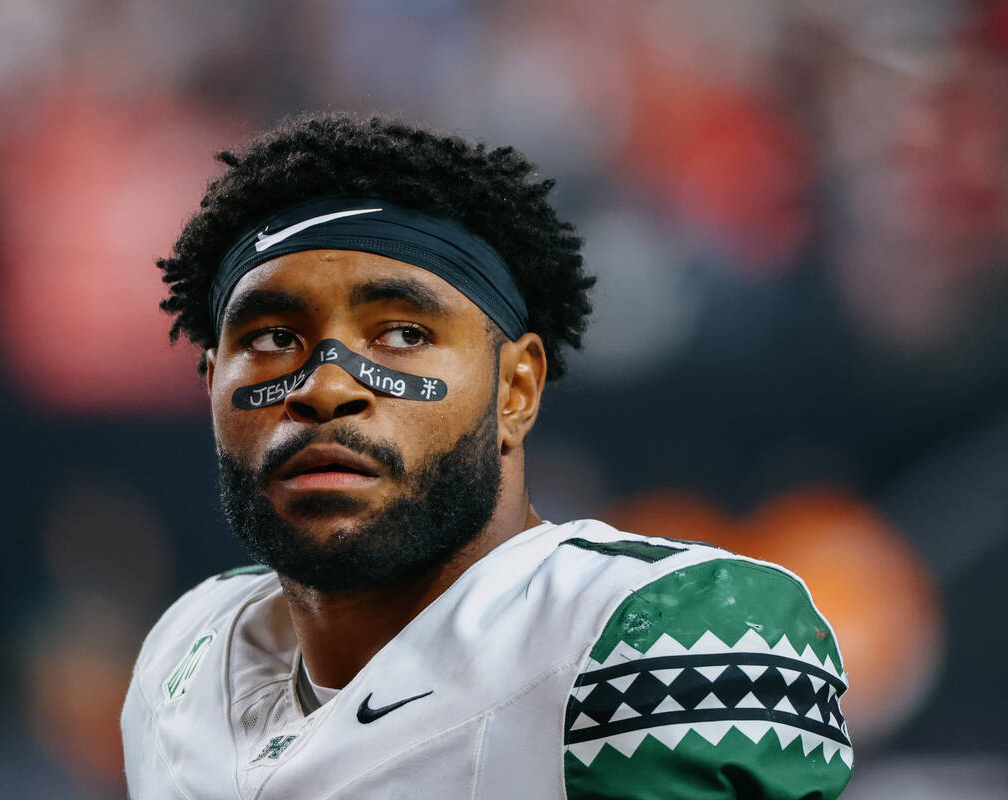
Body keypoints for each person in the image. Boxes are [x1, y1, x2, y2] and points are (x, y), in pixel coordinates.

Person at [121, 112, 853, 799]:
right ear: (212, 384)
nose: (326, 386)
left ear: (517, 387)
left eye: (403, 333)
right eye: (271, 338)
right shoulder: (185, 655)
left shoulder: (651, 639)